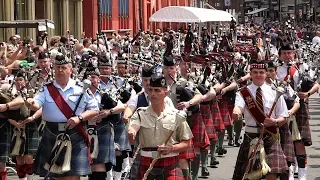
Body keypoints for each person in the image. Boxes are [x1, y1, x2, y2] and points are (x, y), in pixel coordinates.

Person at [26, 54, 99, 180]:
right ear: (53, 69)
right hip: (52, 134)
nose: (60, 70)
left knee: (73, 176)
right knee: (57, 176)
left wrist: (79, 118)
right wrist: (30, 103)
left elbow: (94, 109)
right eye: (57, 67)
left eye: (63, 67)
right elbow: (36, 105)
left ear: (70, 69)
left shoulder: (81, 88)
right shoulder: (46, 89)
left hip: (75, 133)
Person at [127, 73, 193, 180]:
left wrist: (171, 148)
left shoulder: (176, 116)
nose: (153, 93)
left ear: (165, 93)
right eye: (151, 90)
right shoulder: (140, 113)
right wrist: (131, 132)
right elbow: (133, 127)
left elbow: (187, 143)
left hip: (171, 164)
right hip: (146, 164)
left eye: (157, 90)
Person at [232, 60, 289, 180]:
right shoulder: (243, 92)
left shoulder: (275, 92)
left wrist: (275, 122)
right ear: (250, 74)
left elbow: (284, 116)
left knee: (272, 173)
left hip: (271, 136)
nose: (258, 75)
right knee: (251, 175)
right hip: (250, 137)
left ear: (266, 74)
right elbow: (239, 107)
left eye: (261, 72)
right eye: (255, 72)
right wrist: (236, 112)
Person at [276, 43, 319, 180]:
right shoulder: (275, 70)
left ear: (294, 53)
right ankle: (288, 173)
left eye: (290, 53)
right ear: (279, 55)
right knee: (284, 142)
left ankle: (302, 176)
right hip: (281, 108)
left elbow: (316, 84)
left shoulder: (301, 67)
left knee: (299, 142)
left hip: (299, 108)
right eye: (285, 53)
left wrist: (307, 94)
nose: (288, 56)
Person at [265, 61, 297, 180]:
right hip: (265, 128)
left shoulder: (283, 85)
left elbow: (297, 102)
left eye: (271, 71)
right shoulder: (257, 87)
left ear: (275, 72)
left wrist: (290, 112)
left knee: (284, 166)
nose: (268, 74)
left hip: (282, 127)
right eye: (266, 71)